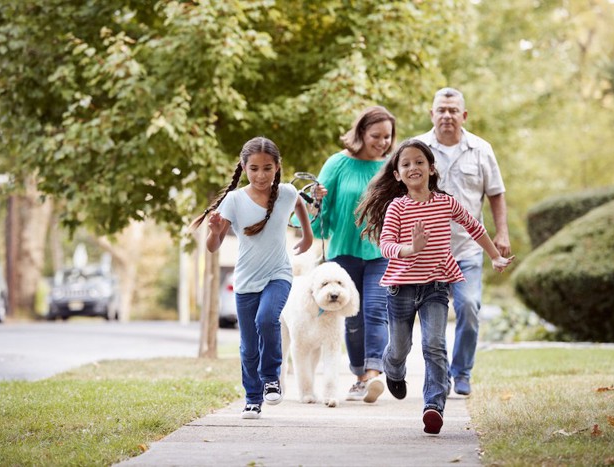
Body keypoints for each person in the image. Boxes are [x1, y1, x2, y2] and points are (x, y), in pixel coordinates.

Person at [355, 139, 513, 434]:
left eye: (419, 162)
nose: (413, 167)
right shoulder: (396, 207)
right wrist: (410, 248)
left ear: (431, 168)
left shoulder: (446, 202)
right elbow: (386, 244)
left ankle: (433, 406)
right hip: (401, 287)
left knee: (434, 345)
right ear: (398, 175)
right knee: (400, 348)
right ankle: (394, 370)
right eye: (406, 164)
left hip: (436, 286)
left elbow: (474, 226)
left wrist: (495, 256)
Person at [189, 136, 314, 420]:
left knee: (266, 319)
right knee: (247, 346)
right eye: (254, 168)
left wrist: (307, 235)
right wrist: (215, 231)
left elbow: (299, 205)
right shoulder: (234, 200)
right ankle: (252, 398)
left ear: (277, 166)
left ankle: (272, 378)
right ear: (244, 167)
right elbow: (212, 247)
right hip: (245, 281)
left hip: (278, 274)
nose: (261, 175)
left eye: (267, 168)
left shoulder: (286, 192)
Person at [415, 87, 511, 397]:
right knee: (433, 320)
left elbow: (495, 192)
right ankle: (438, 378)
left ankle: (462, 371)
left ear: (463, 115)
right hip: (429, 252)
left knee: (469, 307)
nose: (446, 115)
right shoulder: (417, 150)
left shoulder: (481, 149)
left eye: (453, 110)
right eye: (441, 110)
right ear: (432, 114)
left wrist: (502, 233)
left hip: (469, 248)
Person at [311, 105, 396, 403]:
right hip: (344, 252)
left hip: (380, 252)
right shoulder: (337, 164)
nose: (383, 142)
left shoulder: (390, 168)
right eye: (376, 135)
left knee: (375, 310)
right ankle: (359, 375)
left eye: (388, 137)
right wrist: (316, 200)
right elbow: (317, 209)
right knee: (353, 316)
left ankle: (373, 374)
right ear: (361, 132)